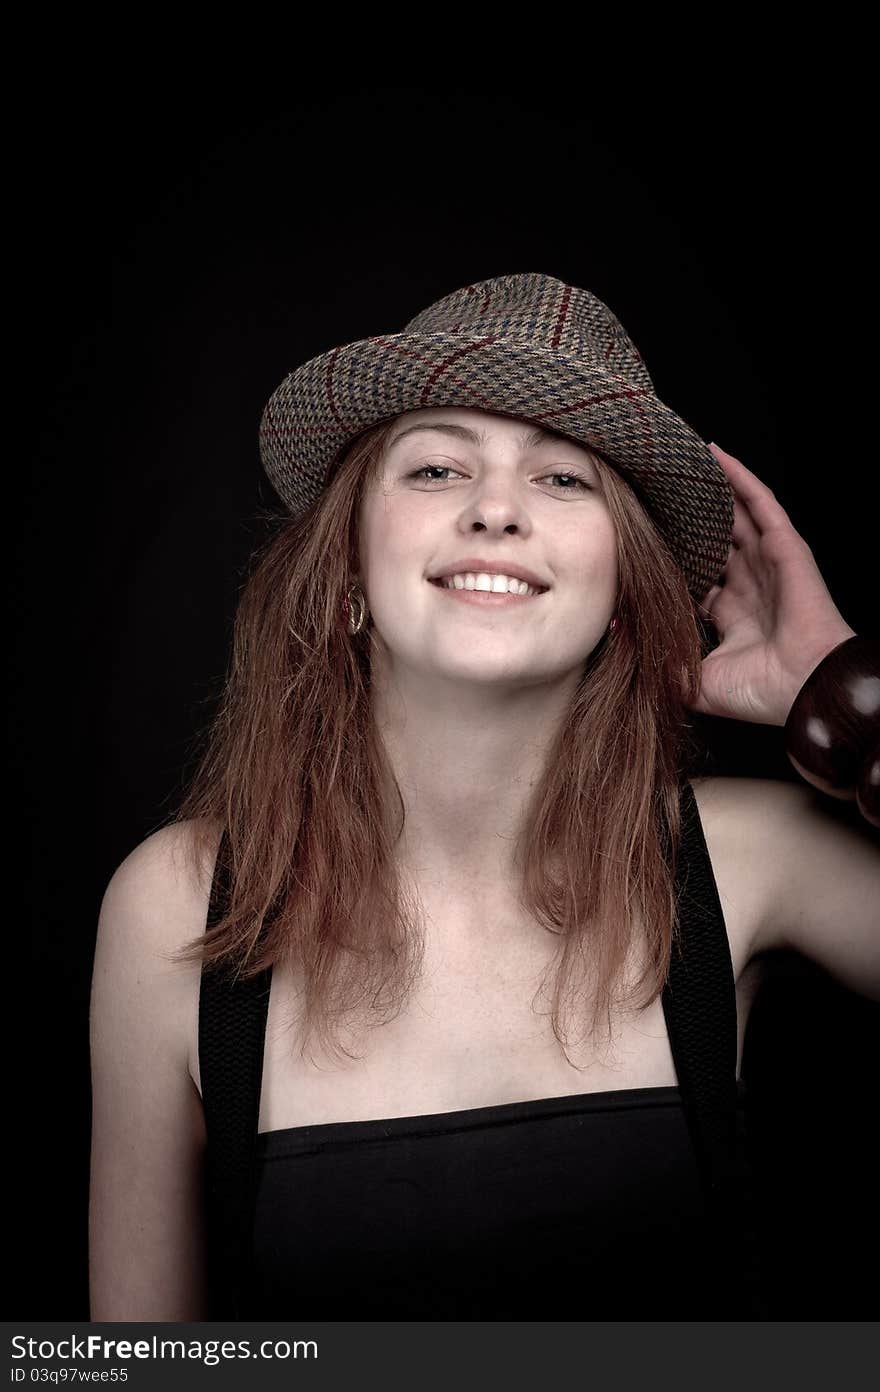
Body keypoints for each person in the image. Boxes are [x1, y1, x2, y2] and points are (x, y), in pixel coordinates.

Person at [88, 272, 879, 1322]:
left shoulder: (753, 861)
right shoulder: (177, 906)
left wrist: (846, 695)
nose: (497, 508)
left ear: (621, 599)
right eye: (437, 466)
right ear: (349, 575)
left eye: (563, 480)